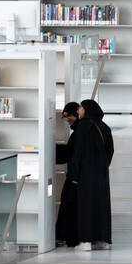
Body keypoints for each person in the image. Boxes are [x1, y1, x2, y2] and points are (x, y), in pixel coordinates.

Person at [68, 99, 114, 251]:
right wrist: (102, 166)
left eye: (80, 108)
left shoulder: (83, 126)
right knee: (101, 205)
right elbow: (110, 151)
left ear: (87, 109)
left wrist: (74, 174)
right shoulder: (105, 127)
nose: (78, 111)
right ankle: (102, 240)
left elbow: (78, 152)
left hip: (86, 173)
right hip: (101, 173)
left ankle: (86, 241)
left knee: (86, 205)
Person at [53, 102, 81, 246]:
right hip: (74, 177)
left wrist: (75, 178)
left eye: (69, 115)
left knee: (68, 207)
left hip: (76, 179)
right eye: (64, 117)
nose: (67, 119)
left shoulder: (80, 132)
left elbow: (74, 156)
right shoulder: (77, 132)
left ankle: (64, 237)